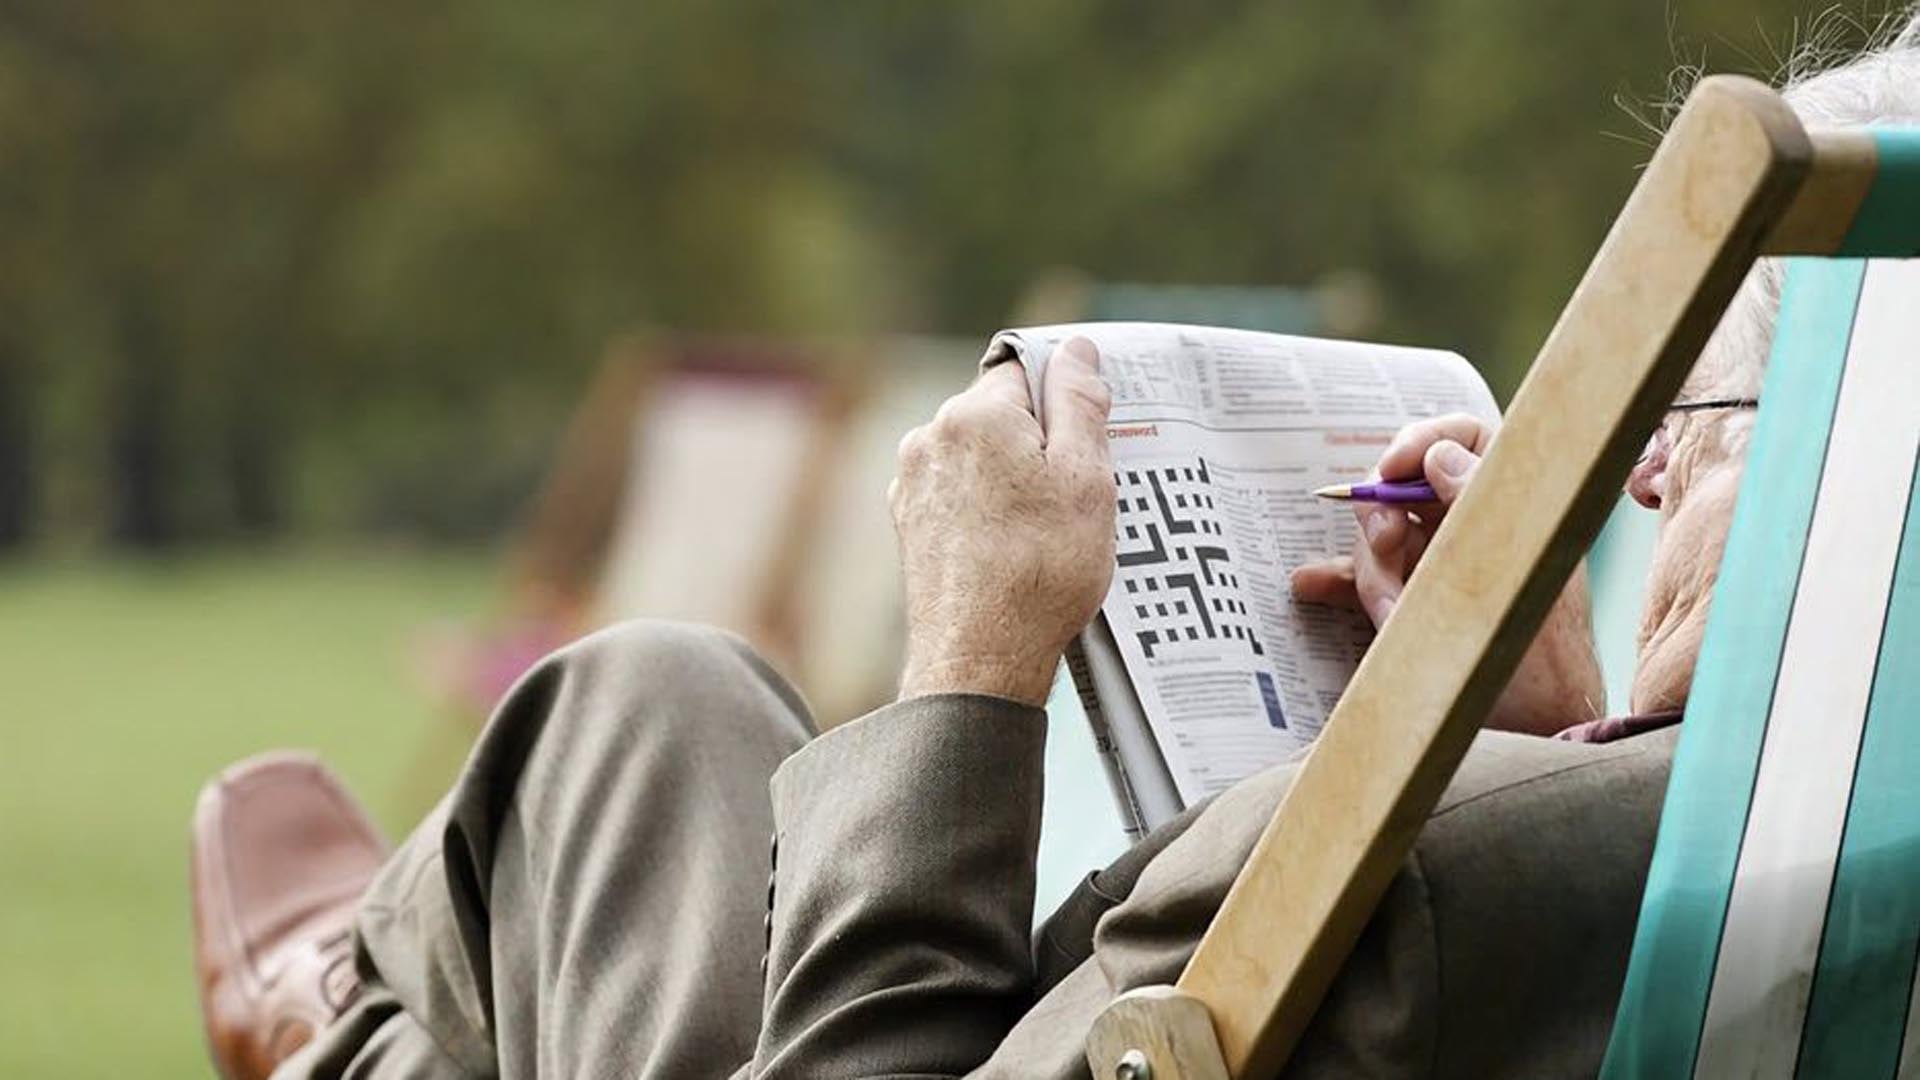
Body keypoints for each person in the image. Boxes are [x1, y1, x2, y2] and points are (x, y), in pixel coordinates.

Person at [189, 30, 1920, 1080]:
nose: (1631, 490)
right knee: (667, 704)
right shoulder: (1783, 879)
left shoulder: (1409, 889)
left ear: (1832, 476)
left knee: (618, 721)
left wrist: (971, 665)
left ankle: (361, 1024)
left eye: (1691, 428)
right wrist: (1545, 740)